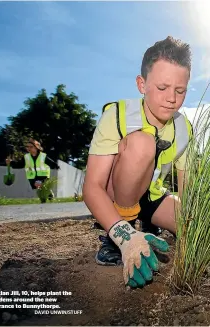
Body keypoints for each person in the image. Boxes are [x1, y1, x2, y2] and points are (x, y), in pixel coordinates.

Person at [82, 36, 193, 289]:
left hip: (152, 196)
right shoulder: (117, 115)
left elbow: (189, 189)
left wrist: (192, 229)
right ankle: (120, 231)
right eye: (162, 88)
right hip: (118, 195)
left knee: (194, 226)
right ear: (142, 84)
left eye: (180, 90)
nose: (171, 99)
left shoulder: (184, 128)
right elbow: (91, 188)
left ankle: (149, 224)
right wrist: (126, 237)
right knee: (143, 144)